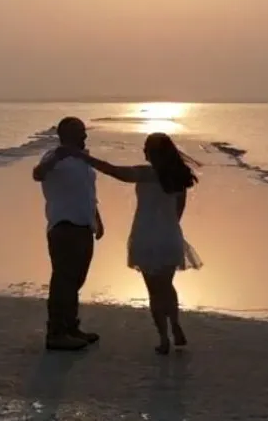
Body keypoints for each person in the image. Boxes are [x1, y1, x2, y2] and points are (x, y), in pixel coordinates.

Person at [72, 133, 201, 355]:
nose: (143, 151)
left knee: (154, 291)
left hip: (146, 236)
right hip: (170, 236)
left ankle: (163, 338)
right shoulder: (180, 178)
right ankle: (176, 325)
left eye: (146, 148)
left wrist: (84, 158)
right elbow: (178, 212)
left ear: (153, 153)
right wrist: (167, 228)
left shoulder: (145, 173)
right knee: (167, 286)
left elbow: (114, 171)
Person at [33, 117, 104, 351]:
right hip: (64, 226)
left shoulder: (83, 160)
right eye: (80, 133)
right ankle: (56, 332)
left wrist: (97, 218)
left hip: (84, 225)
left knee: (76, 280)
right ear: (68, 135)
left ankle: (71, 326)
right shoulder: (54, 158)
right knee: (63, 280)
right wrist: (56, 157)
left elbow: (88, 192)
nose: (85, 136)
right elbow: (38, 174)